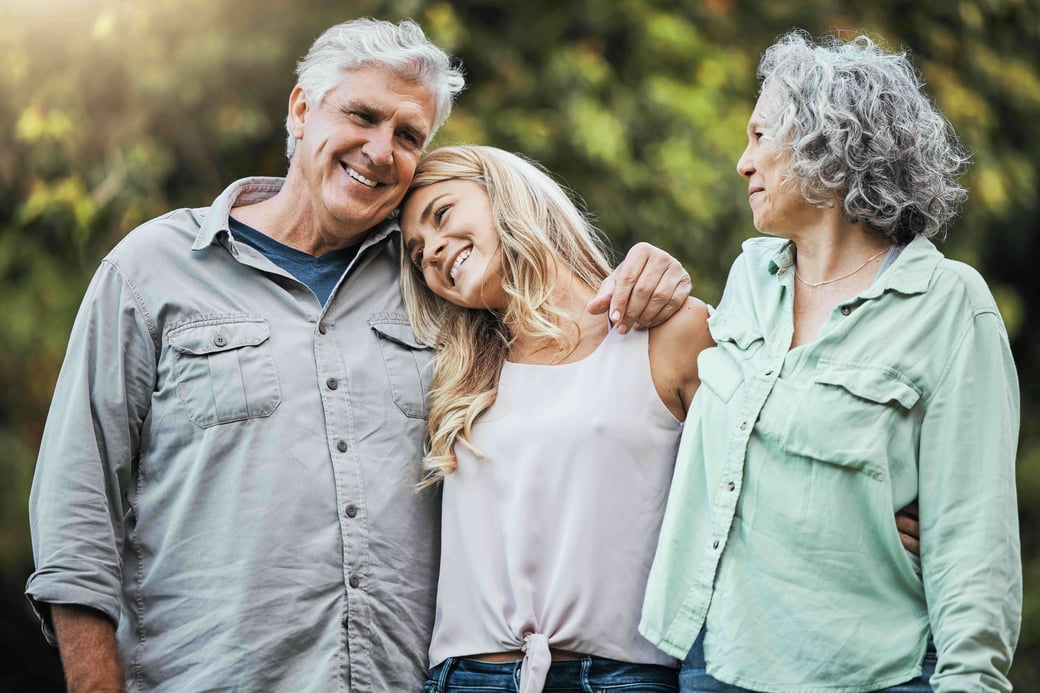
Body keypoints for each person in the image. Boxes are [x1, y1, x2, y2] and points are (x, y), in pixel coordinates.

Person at [25, 18, 691, 692]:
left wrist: (650, 275)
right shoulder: (154, 268)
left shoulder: (437, 288)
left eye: (408, 136)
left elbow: (560, 369)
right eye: (362, 116)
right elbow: (76, 517)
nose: (381, 150)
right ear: (302, 109)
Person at [639, 30, 1021, 693]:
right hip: (715, 661)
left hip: (872, 671)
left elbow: (973, 538)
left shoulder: (950, 303)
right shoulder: (749, 278)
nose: (742, 163)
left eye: (760, 138)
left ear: (827, 144)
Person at [397, 144, 714, 693]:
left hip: (620, 676)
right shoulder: (450, 372)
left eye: (443, 215)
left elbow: (750, 488)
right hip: (463, 678)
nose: (432, 253)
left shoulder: (667, 332)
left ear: (505, 192)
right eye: (417, 251)